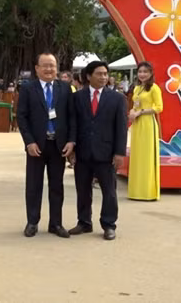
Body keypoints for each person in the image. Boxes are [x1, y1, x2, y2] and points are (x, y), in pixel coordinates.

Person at [17, 53, 76, 238]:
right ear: (37, 68)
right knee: (34, 185)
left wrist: (71, 141)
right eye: (45, 65)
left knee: (57, 186)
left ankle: (56, 224)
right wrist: (29, 142)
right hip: (37, 145)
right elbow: (22, 117)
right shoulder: (28, 89)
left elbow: (72, 117)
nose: (49, 69)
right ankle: (32, 222)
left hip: (58, 145)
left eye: (52, 65)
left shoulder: (65, 89)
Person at [69, 61, 127, 241]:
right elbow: (73, 124)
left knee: (109, 191)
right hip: (83, 151)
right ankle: (84, 222)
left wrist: (119, 152)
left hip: (107, 152)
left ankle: (109, 224)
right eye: (99, 74)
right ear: (88, 76)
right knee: (83, 189)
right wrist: (72, 149)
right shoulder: (77, 97)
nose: (103, 77)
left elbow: (121, 127)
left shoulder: (117, 99)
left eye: (105, 74)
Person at [128, 61, 163, 201]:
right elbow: (134, 105)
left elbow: (159, 107)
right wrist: (132, 112)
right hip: (136, 124)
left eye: (145, 72)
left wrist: (141, 112)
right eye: (140, 71)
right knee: (137, 155)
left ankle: (148, 192)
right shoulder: (137, 88)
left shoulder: (154, 88)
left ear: (150, 73)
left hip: (148, 123)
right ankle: (136, 191)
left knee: (147, 156)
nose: (142, 74)